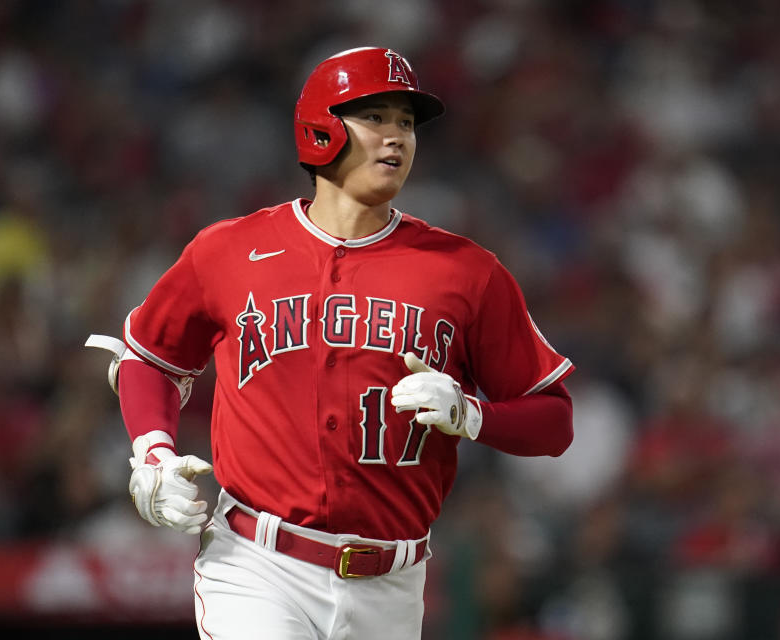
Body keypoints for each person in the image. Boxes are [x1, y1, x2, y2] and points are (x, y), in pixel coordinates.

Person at [87, 46, 575, 640]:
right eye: (376, 117)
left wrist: (474, 415)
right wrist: (154, 454)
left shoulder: (466, 272)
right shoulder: (229, 250)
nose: (396, 136)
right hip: (256, 564)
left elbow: (554, 421)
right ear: (320, 128)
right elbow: (149, 358)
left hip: (393, 582)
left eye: (406, 122)